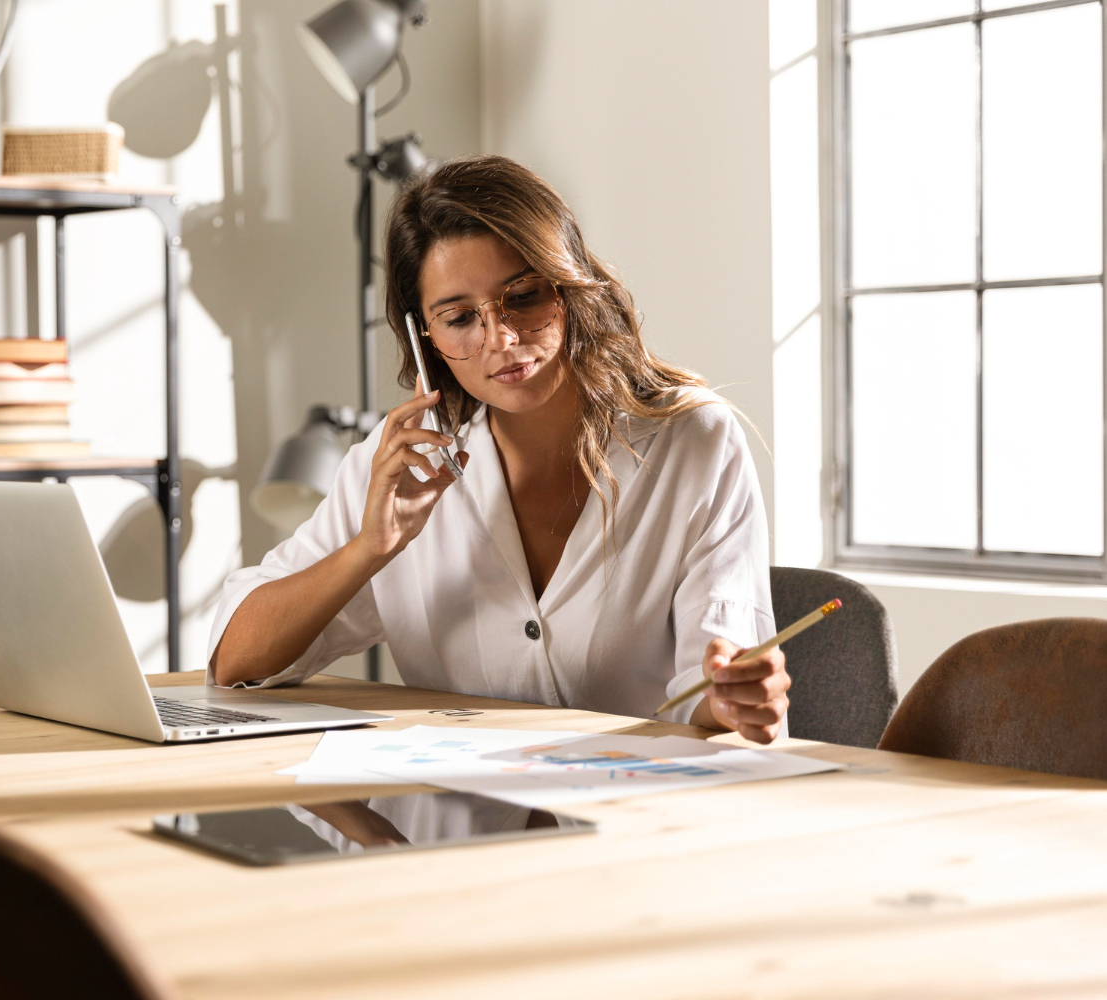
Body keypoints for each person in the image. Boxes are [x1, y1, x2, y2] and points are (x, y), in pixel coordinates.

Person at [208, 155, 788, 743]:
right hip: (458, 823)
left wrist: (735, 698)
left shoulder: (692, 442)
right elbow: (235, 664)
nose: (501, 339)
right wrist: (370, 549)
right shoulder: (401, 468)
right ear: (425, 337)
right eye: (459, 317)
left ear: (569, 285)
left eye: (524, 296)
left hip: (639, 814)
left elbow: (714, 687)